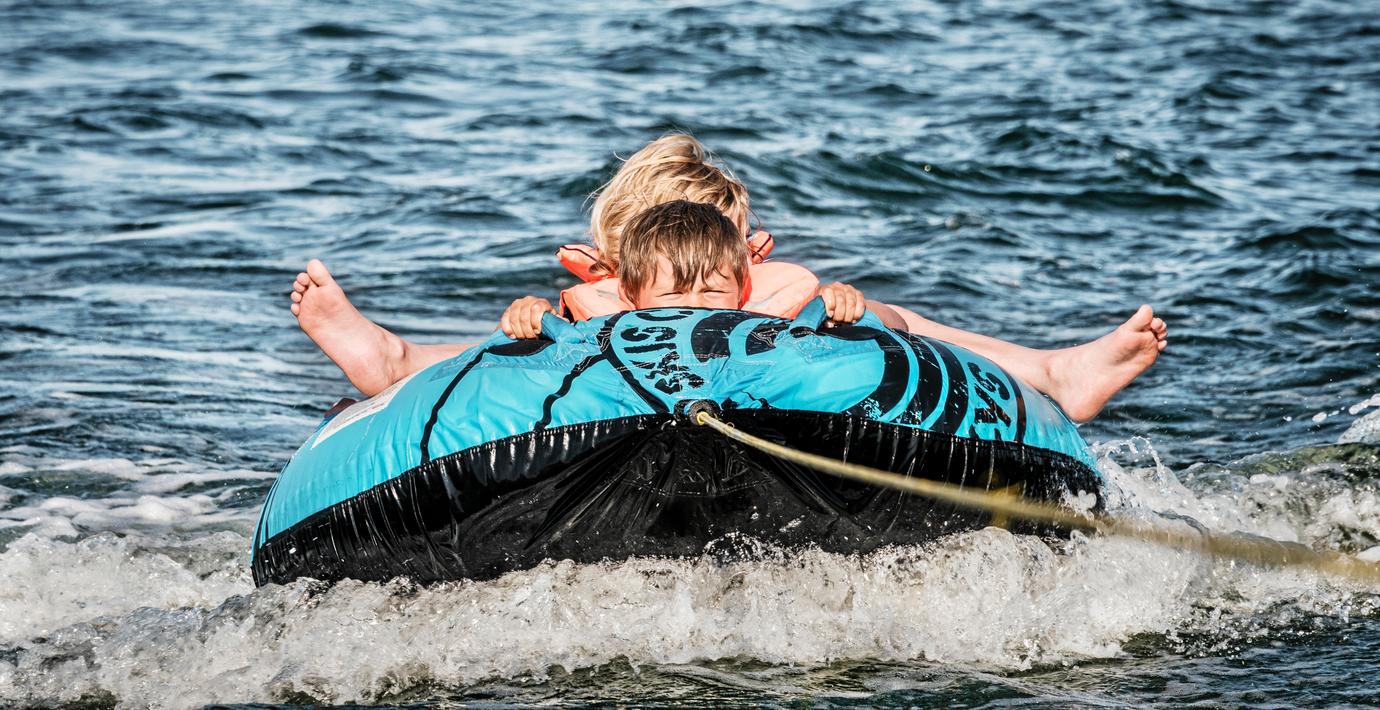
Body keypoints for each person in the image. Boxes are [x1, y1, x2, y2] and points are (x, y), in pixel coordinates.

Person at [290, 134, 1167, 421]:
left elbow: (840, 319)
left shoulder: (776, 288)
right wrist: (526, 319)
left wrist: (851, 313)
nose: (709, 268)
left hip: (772, 388)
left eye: (729, 248)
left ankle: (1048, 373)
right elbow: (528, 356)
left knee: (887, 316)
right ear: (625, 260)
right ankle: (397, 362)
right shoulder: (596, 302)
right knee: (510, 347)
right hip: (602, 398)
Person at [500, 200, 895, 339]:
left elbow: (895, 323)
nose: (694, 307)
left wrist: (846, 306)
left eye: (712, 292)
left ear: (741, 291)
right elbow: (549, 338)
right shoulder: (596, 327)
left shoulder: (775, 322)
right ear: (630, 296)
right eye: (672, 294)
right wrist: (530, 316)